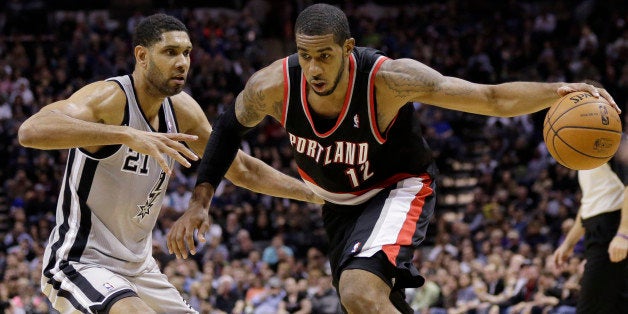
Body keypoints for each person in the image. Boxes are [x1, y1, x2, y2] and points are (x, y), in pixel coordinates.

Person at [166, 4, 619, 313]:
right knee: (361, 304)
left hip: (396, 188)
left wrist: (559, 90)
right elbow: (227, 127)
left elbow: (491, 98)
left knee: (359, 292)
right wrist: (200, 201)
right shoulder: (273, 86)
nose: (315, 68)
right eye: (306, 56)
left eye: (325, 56)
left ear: (347, 49)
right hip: (336, 204)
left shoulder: (389, 80)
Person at [17, 13, 321, 314]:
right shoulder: (109, 99)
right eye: (170, 52)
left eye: (187, 53)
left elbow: (240, 167)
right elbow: (31, 130)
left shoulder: (183, 110)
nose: (182, 62)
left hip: (140, 268)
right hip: (82, 260)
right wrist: (125, 134)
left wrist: (315, 194)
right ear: (142, 56)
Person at [552, 162, 628, 313]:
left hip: (612, 230)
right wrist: (568, 243)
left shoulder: (611, 141)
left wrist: (623, 233)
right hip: (597, 231)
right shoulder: (584, 153)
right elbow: (589, 202)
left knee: (589, 308)